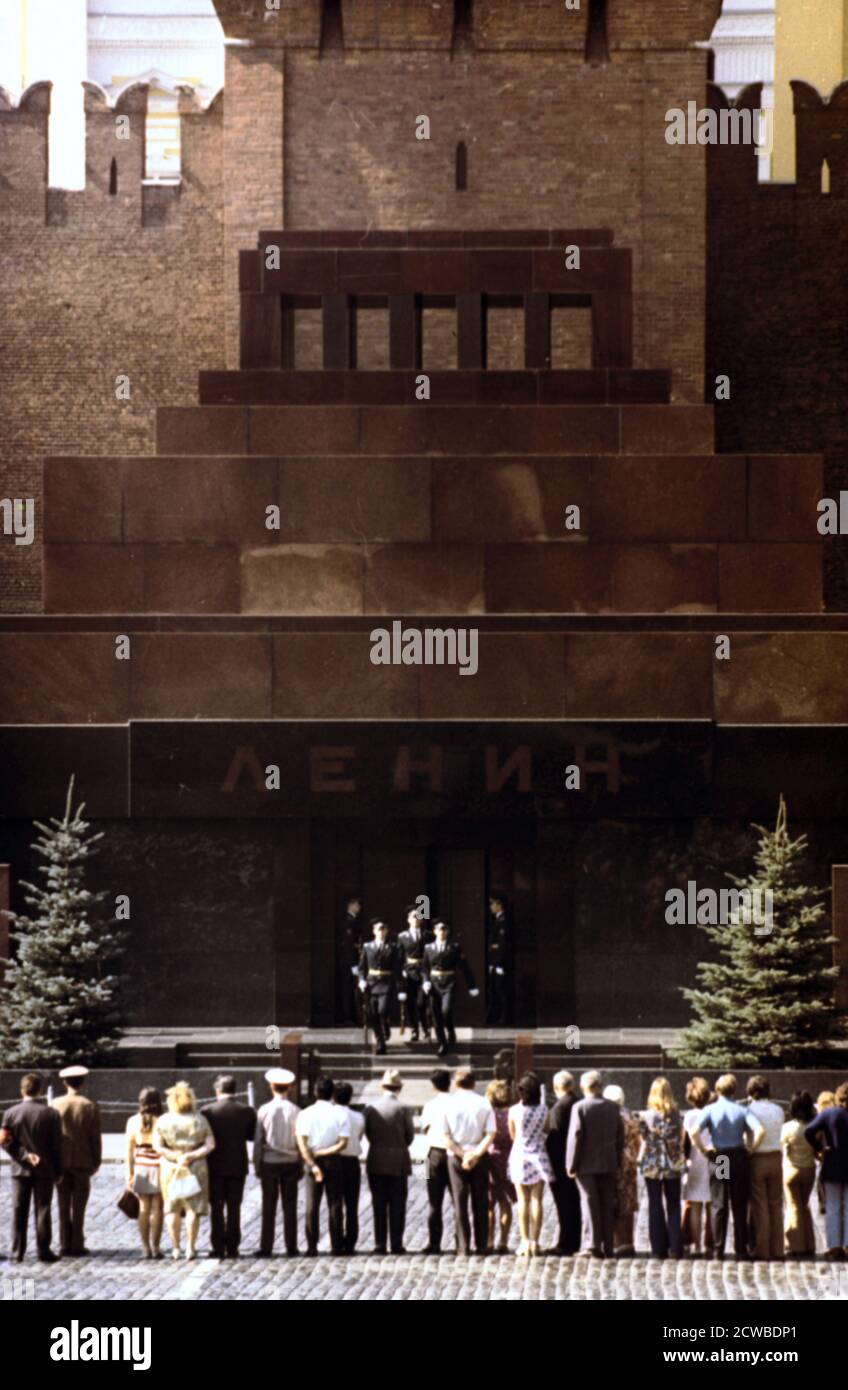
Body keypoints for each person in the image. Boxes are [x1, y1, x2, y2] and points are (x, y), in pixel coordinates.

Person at [693, 1073, 764, 1261]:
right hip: (739, 1157)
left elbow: (693, 1132)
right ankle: (741, 1249)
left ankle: (718, 1249)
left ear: (717, 1090)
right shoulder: (742, 1110)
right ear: (734, 1090)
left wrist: (703, 1150)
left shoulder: (710, 1110)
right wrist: (752, 1148)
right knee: (739, 1204)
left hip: (721, 1157)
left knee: (719, 1204)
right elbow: (760, 1130)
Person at [1, 1073, 63, 1263]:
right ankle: (43, 1250)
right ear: (40, 1091)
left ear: (22, 1090)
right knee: (43, 1209)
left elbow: (4, 1141)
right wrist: (58, 1171)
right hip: (44, 1170)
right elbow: (57, 1146)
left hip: (20, 1170)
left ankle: (17, 1250)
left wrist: (23, 1155)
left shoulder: (11, 1113)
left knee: (19, 1210)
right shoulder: (51, 1114)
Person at [152, 1081, 215, 1261]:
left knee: (172, 1208)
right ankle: (191, 1247)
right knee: (192, 1209)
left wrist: (175, 1156)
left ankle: (175, 1248)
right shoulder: (199, 1119)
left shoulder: (163, 1120)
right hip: (195, 1166)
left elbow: (158, 1146)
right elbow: (210, 1144)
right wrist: (192, 1155)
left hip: (171, 1166)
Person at [566, 1070, 624, 1258]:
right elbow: (620, 1137)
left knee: (589, 1204)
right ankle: (608, 1244)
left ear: (583, 1087)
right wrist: (617, 1159)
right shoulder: (613, 1108)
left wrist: (571, 1164)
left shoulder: (580, 1107)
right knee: (607, 1204)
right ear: (600, 1086)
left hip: (585, 1165)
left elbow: (575, 1137)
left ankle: (592, 1244)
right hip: (608, 1163)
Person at [201, 1074, 256, 1260]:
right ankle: (233, 1246)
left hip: (214, 1167)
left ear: (217, 1090)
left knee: (216, 1208)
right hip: (237, 1166)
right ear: (234, 1090)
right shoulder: (246, 1110)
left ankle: (217, 1246)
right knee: (234, 1208)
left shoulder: (207, 1111)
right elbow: (251, 1136)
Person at [442, 1067, 496, 1254]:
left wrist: (462, 1154)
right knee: (481, 1201)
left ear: (456, 1084)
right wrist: (475, 1154)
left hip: (456, 1156)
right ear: (474, 1083)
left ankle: (463, 1246)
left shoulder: (448, 1104)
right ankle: (481, 1245)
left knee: (460, 1201)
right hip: (478, 1155)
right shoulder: (484, 1103)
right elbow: (491, 1133)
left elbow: (445, 1136)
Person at [51, 1064, 102, 1257]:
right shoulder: (89, 1105)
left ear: (65, 1083)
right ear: (82, 1083)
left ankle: (64, 1243)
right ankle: (77, 1243)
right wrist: (96, 1161)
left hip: (61, 1163)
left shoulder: (55, 1104)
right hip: (83, 1161)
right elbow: (94, 1137)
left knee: (63, 1203)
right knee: (79, 1206)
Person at [296, 1073, 348, 1255]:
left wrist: (311, 1162)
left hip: (313, 1159)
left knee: (312, 1205)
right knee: (335, 1203)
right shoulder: (339, 1114)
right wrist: (325, 1152)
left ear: (315, 1092)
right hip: (333, 1160)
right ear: (332, 1093)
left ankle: (311, 1245)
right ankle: (336, 1244)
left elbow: (301, 1142)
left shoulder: (305, 1113)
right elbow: (343, 1143)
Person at [364, 1069, 415, 1254]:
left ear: (381, 1086)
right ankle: (396, 1243)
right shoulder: (403, 1108)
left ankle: (379, 1243)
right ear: (399, 1088)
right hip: (399, 1160)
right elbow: (410, 1136)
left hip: (377, 1158)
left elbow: (368, 1133)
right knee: (398, 1204)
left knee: (378, 1203)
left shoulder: (371, 1108)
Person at [254, 1067, 302, 1257]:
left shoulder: (264, 1110)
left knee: (269, 1205)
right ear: (289, 1088)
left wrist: (257, 1163)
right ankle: (292, 1245)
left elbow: (259, 1141)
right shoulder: (296, 1110)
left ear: (271, 1086)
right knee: (290, 1205)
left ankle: (266, 1246)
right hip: (291, 1160)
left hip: (270, 1161)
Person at [637, 1077, 686, 1260]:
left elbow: (643, 1140)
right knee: (674, 1205)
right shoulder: (676, 1114)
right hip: (673, 1164)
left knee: (655, 1204)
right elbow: (681, 1138)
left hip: (653, 1164)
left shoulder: (646, 1116)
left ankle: (658, 1248)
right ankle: (675, 1246)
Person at [508, 1072, 552, 1258]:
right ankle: (535, 1240)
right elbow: (547, 1129)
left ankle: (524, 1240)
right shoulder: (543, 1110)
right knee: (537, 1200)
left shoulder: (515, 1111)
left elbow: (512, 1134)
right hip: (539, 1155)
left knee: (522, 1201)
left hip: (520, 1156)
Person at [423, 919, 480, 1057]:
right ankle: (442, 1043)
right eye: (439, 929)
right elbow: (425, 967)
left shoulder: (454, 947)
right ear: (435, 931)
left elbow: (464, 967)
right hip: (434, 983)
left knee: (446, 1010)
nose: (442, 932)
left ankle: (450, 1029)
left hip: (449, 982)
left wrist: (472, 986)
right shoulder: (428, 948)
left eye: (444, 929)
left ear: (447, 932)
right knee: (436, 1014)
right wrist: (425, 981)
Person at [804, 1081, 848, 1260]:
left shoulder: (830, 1113)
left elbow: (809, 1131)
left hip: (832, 1162)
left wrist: (819, 1148)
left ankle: (834, 1245)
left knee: (833, 1206)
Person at [745, 1075, 785, 1262]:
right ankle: (778, 1248)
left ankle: (762, 1248)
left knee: (760, 1205)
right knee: (776, 1205)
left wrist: (751, 1148)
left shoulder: (749, 1110)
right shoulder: (778, 1110)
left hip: (757, 1158)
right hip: (776, 1157)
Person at [125, 1087, 164, 1259]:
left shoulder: (133, 1121)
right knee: (157, 1208)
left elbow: (128, 1150)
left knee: (143, 1208)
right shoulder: (163, 1120)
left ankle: (145, 1247)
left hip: (141, 1166)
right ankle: (156, 1247)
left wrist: (129, 1172)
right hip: (160, 1166)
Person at [546, 1069, 581, 1256]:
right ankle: (571, 1240)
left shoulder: (560, 1107)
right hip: (573, 1161)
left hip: (561, 1163)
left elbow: (557, 1137)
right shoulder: (576, 1101)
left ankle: (566, 1242)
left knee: (565, 1204)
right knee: (573, 1203)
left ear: (555, 1087)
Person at [420, 1068, 453, 1254]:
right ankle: (461, 1241)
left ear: (433, 1086)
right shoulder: (457, 1103)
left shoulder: (430, 1105)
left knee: (433, 1201)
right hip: (453, 1152)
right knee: (457, 1200)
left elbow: (424, 1130)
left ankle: (434, 1243)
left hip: (432, 1153)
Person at [604, 1083, 640, 1256]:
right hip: (630, 1162)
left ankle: (616, 1241)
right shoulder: (630, 1115)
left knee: (613, 1200)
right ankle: (628, 1241)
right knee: (628, 1201)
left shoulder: (610, 1116)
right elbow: (638, 1140)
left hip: (614, 1161)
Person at [357, 918, 402, 1056]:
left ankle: (386, 1024)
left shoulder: (393, 947)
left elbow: (397, 968)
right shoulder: (367, 946)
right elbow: (362, 967)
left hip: (386, 983)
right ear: (374, 931)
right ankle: (380, 1042)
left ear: (387, 931)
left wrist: (401, 988)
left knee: (382, 1010)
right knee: (372, 1014)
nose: (381, 932)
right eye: (378, 929)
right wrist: (361, 980)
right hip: (371, 983)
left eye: (383, 929)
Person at [780, 1090, 817, 1259]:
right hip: (809, 1169)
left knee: (793, 1206)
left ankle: (796, 1245)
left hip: (791, 1169)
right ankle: (810, 1243)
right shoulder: (815, 1127)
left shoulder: (788, 1128)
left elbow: (781, 1148)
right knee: (804, 1205)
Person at [681, 1077, 712, 1257]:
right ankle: (712, 1244)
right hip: (719, 1159)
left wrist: (685, 1163)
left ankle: (697, 1245)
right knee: (714, 1202)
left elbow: (685, 1143)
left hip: (695, 1160)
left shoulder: (689, 1116)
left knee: (695, 1204)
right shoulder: (714, 1112)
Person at [334, 1082, 365, 1254]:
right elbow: (359, 1137)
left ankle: (337, 1241)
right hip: (352, 1161)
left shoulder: (330, 1115)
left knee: (336, 1202)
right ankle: (351, 1241)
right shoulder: (358, 1117)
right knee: (352, 1205)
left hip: (336, 1160)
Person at [485, 1078, 516, 1254]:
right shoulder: (512, 1113)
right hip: (508, 1160)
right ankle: (503, 1241)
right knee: (505, 1202)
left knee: (489, 1204)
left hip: (490, 1159)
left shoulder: (489, 1114)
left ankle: (489, 1240)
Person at [397, 905, 430, 1043]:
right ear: (408, 919)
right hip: (409, 972)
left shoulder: (427, 935)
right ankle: (414, 1029)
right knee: (410, 1003)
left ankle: (425, 1027)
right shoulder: (402, 936)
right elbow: (399, 956)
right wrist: (402, 970)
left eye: (418, 916)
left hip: (423, 971)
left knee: (421, 1002)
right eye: (413, 916)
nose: (416, 919)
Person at [486, 895, 512, 1026]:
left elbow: (501, 945)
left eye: (493, 904)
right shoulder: (497, 920)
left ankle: (504, 1017)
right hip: (494, 963)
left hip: (499, 963)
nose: (491, 907)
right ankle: (496, 1016)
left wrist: (498, 964)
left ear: (499, 905)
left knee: (501, 991)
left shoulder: (503, 921)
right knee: (494, 990)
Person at [339, 896, 364, 1024]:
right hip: (349, 962)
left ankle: (352, 1015)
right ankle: (347, 1016)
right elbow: (349, 945)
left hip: (353, 961)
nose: (359, 907)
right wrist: (353, 964)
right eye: (357, 904)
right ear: (351, 905)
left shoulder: (353, 920)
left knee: (352, 990)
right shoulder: (348, 921)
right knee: (348, 990)